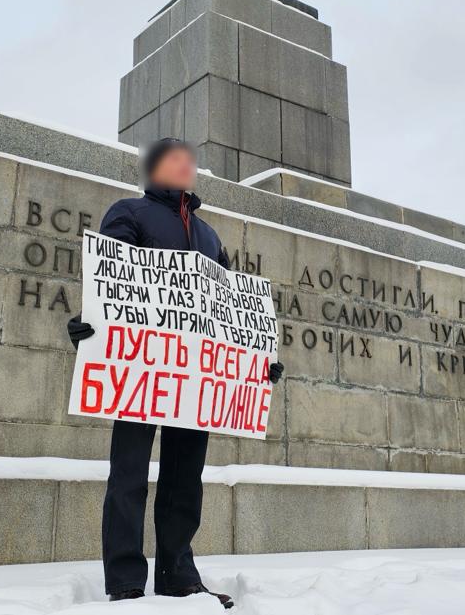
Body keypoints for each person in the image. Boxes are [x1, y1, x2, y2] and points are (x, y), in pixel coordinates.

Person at [67, 138, 284, 609]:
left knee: (186, 479)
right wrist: (93, 325)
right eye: (175, 159)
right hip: (140, 367)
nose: (186, 166)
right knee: (128, 473)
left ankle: (178, 574)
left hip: (194, 378)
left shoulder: (209, 237)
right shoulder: (129, 212)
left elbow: (230, 312)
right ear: (151, 168)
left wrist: (255, 360)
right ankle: (124, 578)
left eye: (191, 160)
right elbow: (114, 279)